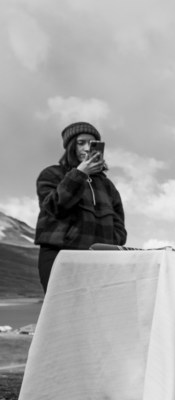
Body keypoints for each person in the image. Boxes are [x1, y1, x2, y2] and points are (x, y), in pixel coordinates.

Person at [34, 122, 127, 290]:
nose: (86, 148)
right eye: (80, 142)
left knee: (96, 312)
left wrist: (113, 242)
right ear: (70, 146)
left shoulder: (107, 186)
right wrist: (79, 174)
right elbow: (54, 207)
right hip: (60, 254)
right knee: (61, 310)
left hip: (100, 259)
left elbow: (119, 222)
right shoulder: (52, 174)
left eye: (91, 144)